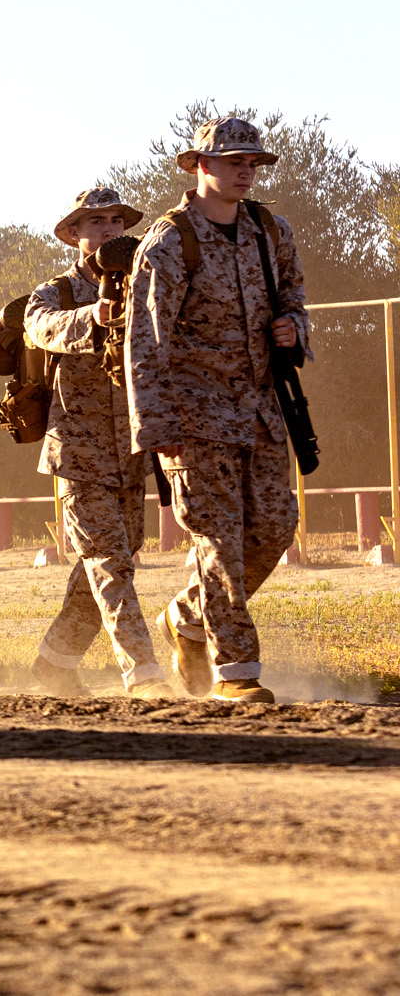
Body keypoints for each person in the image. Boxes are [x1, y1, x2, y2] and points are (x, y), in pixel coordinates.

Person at [127, 119, 309, 704]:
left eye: (252, 162)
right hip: (193, 420)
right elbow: (144, 340)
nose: (246, 171)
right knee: (219, 542)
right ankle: (237, 671)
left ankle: (185, 618)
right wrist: (156, 425)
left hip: (260, 413)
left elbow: (295, 296)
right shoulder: (168, 241)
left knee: (275, 528)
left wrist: (294, 327)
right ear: (201, 166)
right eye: (234, 161)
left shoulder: (269, 230)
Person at [23, 189, 174, 699]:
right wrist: (97, 316)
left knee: (111, 560)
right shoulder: (57, 292)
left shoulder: (145, 286)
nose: (110, 229)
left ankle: (54, 662)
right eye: (96, 222)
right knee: (110, 564)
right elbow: (42, 328)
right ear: (73, 234)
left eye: (116, 221)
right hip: (78, 453)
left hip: (133, 451)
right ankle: (144, 673)